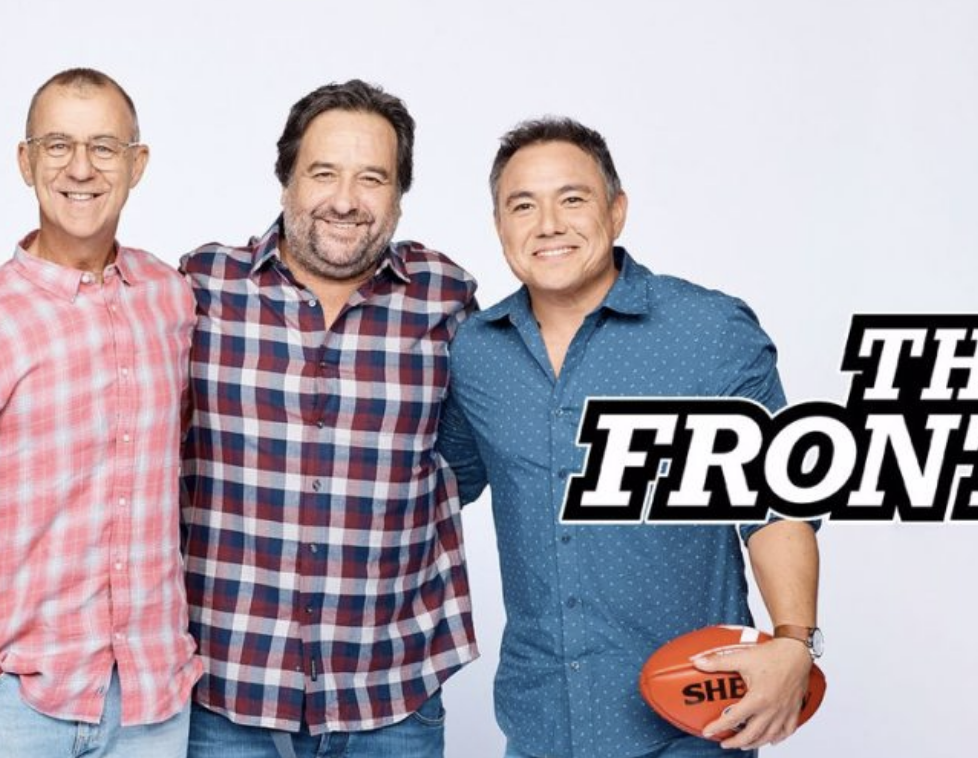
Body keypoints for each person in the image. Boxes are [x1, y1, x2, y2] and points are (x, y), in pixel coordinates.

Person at [440, 117, 822, 758]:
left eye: (573, 199)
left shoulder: (707, 330)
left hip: (693, 722)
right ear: (500, 227)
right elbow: (434, 488)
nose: (549, 224)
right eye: (523, 205)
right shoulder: (477, 353)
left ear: (616, 212)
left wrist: (793, 641)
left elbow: (776, 504)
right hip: (539, 725)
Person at [0, 68, 199, 757]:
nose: (80, 168)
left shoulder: (172, 301)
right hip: (12, 712)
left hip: (152, 704)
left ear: (137, 164)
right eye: (57, 145)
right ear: (25, 161)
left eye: (104, 147)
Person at [180, 80, 478, 758]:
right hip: (225, 691)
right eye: (323, 173)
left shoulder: (448, 298)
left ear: (401, 193)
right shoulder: (200, 288)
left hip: (392, 692)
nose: (345, 200)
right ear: (285, 179)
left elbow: (475, 459)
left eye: (372, 178)